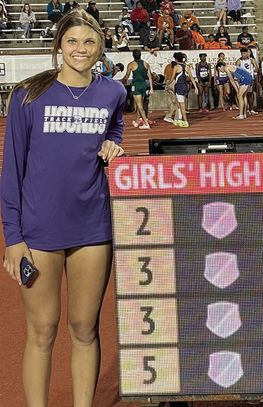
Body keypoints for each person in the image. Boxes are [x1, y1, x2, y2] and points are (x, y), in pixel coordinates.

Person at [1, 9, 125, 407]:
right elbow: (11, 170)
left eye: (89, 42)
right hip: (38, 233)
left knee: (85, 328)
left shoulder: (113, 93)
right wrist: (13, 238)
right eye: (71, 41)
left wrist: (113, 145)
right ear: (58, 46)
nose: (80, 49)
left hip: (92, 229)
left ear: (100, 47)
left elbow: (115, 129)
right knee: (42, 331)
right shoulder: (29, 95)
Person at [122, 49, 153, 128]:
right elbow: (150, 77)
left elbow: (127, 76)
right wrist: (151, 88)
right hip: (144, 85)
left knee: (139, 105)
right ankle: (137, 120)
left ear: (133, 55)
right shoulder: (146, 64)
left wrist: (121, 81)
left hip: (136, 85)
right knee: (140, 103)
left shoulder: (131, 64)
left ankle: (146, 123)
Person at [171, 51, 198, 127]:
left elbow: (172, 78)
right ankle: (179, 119)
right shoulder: (187, 66)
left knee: (181, 105)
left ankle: (185, 121)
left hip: (179, 87)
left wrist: (167, 84)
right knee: (179, 104)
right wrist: (195, 87)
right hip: (185, 86)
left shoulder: (176, 67)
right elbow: (192, 78)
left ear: (176, 59)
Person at [236, 47, 258, 114]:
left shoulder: (251, 60)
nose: (243, 55)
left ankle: (251, 109)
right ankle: (244, 110)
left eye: (245, 53)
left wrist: (254, 70)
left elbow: (257, 68)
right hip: (243, 80)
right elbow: (236, 71)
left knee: (250, 94)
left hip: (250, 79)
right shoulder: (239, 61)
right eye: (242, 53)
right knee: (243, 95)